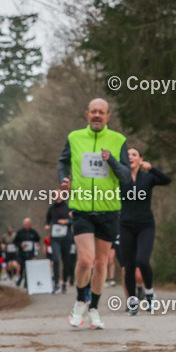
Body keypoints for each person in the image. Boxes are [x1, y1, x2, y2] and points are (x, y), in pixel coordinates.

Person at [58, 98, 129, 329]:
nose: (97, 115)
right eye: (94, 111)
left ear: (108, 116)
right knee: (86, 260)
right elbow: (62, 163)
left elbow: (126, 176)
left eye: (102, 112)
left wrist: (113, 161)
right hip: (81, 208)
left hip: (108, 210)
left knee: (100, 264)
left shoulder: (119, 140)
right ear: (87, 113)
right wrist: (64, 180)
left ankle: (95, 309)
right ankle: (80, 301)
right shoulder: (74, 137)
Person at [106, 147, 171, 315]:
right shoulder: (119, 178)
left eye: (134, 154)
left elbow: (167, 180)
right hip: (125, 226)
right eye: (128, 155)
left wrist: (152, 168)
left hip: (145, 226)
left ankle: (149, 292)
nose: (131, 157)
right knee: (128, 266)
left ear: (141, 159)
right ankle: (132, 301)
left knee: (142, 261)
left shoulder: (148, 178)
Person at [13, 218, 40, 288]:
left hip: (30, 253)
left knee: (28, 268)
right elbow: (15, 242)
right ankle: (20, 279)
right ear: (23, 224)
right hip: (22, 253)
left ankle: (26, 283)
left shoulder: (33, 232)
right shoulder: (20, 232)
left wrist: (36, 244)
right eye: (26, 224)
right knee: (21, 268)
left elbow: (38, 239)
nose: (27, 226)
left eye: (28, 224)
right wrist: (20, 245)